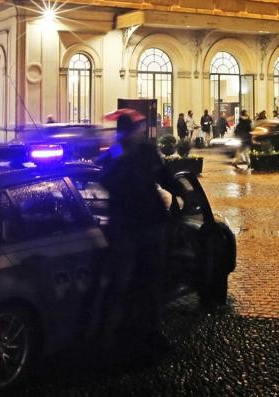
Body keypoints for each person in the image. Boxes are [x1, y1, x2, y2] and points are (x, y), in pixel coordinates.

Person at [94, 108, 182, 357]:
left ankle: (149, 331)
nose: (139, 133)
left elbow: (163, 174)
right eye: (135, 129)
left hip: (147, 225)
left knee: (151, 282)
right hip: (127, 227)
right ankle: (109, 337)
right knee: (120, 283)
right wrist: (122, 158)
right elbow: (105, 179)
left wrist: (180, 189)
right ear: (126, 131)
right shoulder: (118, 153)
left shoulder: (144, 150)